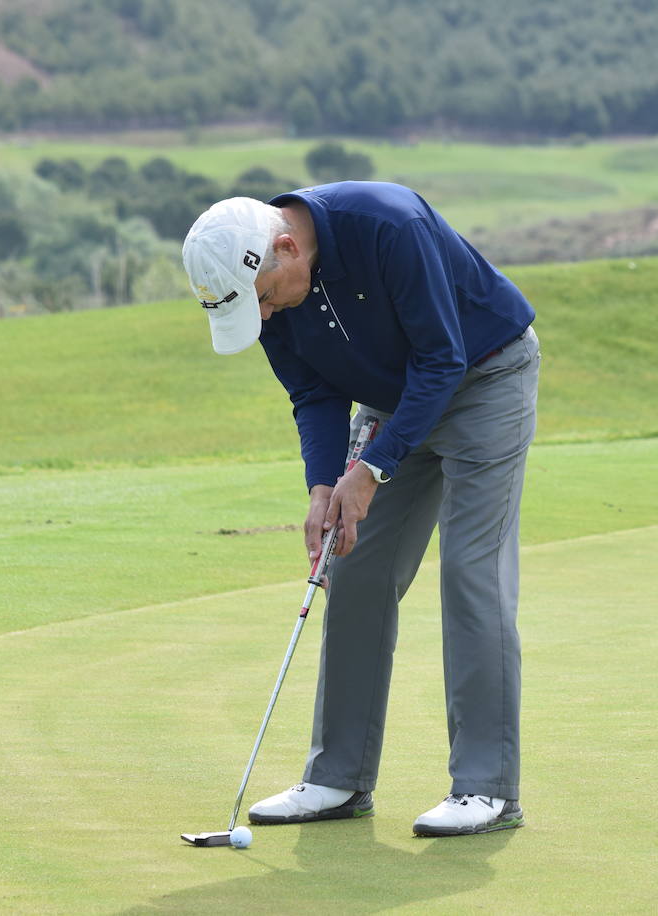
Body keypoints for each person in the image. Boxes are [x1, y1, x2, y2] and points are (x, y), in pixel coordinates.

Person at [182, 181, 539, 837]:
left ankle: (487, 789)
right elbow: (313, 393)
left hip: (484, 378)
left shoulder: (387, 224)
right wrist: (324, 487)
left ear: (285, 248)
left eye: (263, 300)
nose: (261, 318)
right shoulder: (268, 290)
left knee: (470, 573)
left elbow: (442, 357)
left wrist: (371, 470)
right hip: (394, 400)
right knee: (351, 569)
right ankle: (337, 777)